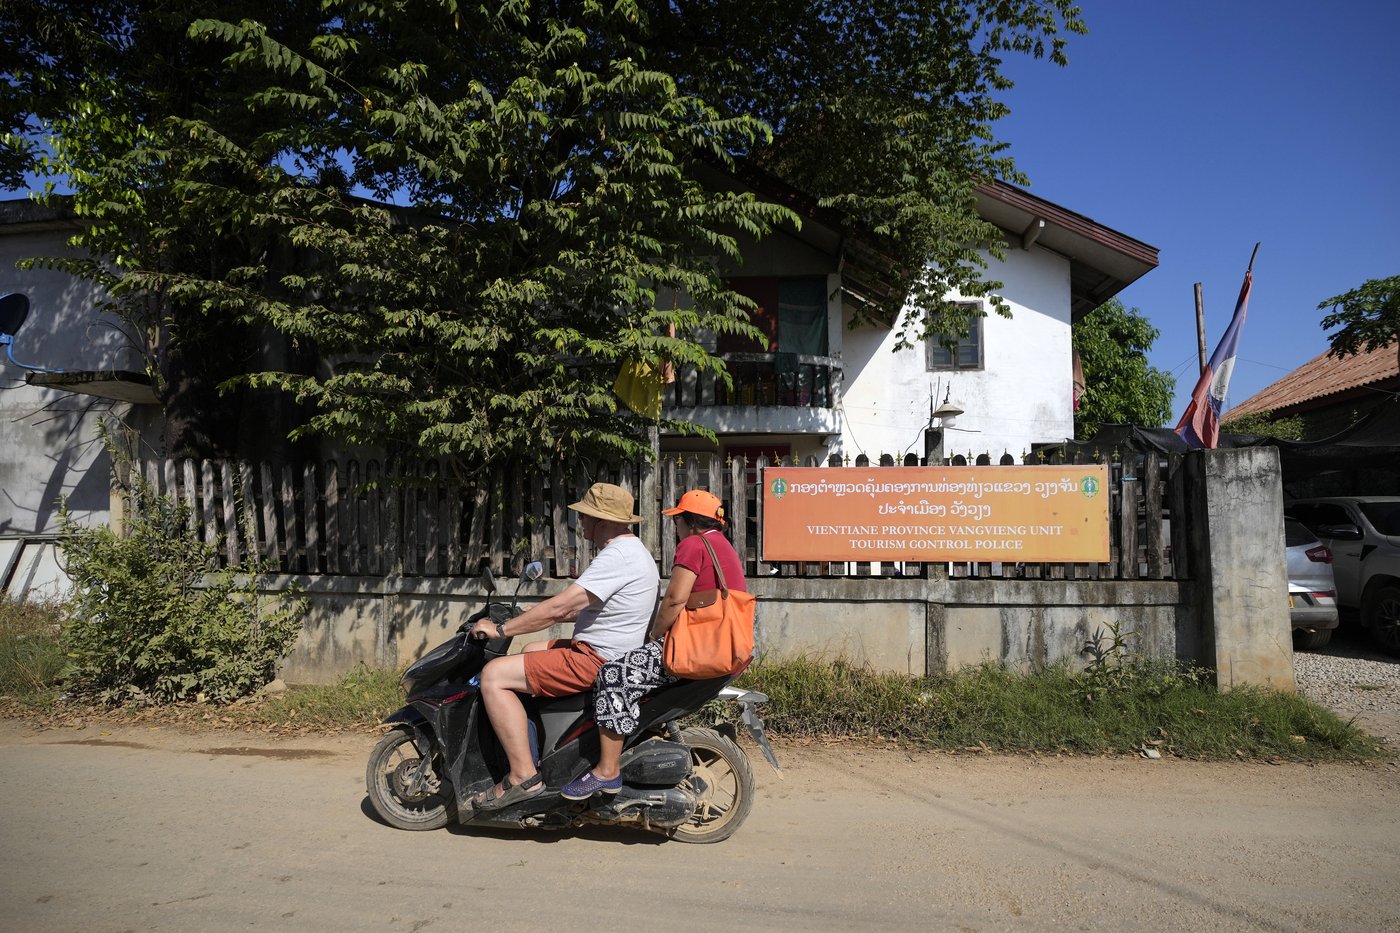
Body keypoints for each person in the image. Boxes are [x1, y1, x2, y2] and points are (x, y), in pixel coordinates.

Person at [467, 482, 658, 809]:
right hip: (607, 650)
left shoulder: (617, 556)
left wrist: (500, 629)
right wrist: (530, 614)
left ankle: (523, 776)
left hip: (597, 658)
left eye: (584, 515)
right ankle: (543, 746)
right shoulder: (632, 551)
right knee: (530, 650)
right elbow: (587, 609)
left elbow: (561, 608)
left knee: (493, 675)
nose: (579, 521)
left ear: (601, 520)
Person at [560, 488, 748, 800]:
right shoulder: (723, 546)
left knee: (613, 675)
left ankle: (607, 771)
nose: (676, 527)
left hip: (694, 646)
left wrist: (653, 636)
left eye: (678, 521)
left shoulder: (693, 544)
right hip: (723, 647)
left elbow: (674, 600)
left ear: (690, 521)